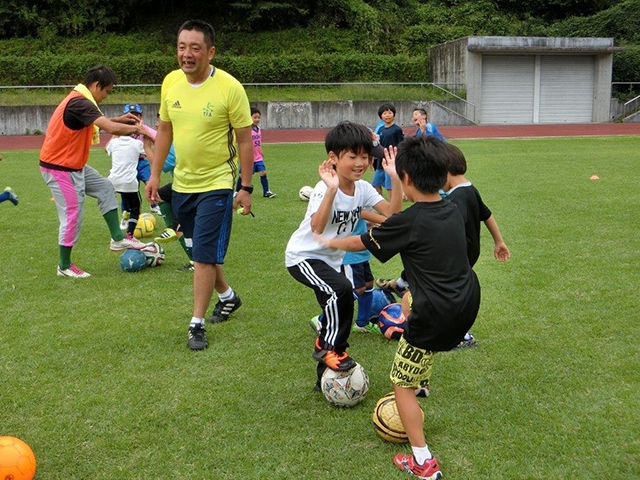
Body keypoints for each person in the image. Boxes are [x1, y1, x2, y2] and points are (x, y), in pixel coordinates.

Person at [315, 136, 480, 480]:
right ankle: (422, 382)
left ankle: (423, 461)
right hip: (466, 302)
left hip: (437, 313)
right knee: (409, 309)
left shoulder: (410, 221)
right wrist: (392, 178)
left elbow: (362, 239)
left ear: (406, 180)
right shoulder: (452, 206)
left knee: (399, 381)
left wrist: (327, 240)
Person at [145, 19, 253, 350]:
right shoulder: (170, 83)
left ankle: (196, 323)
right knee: (198, 251)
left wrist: (246, 187)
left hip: (218, 182)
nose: (187, 54)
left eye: (195, 48)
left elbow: (245, 140)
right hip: (182, 184)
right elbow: (164, 130)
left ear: (210, 52)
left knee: (203, 256)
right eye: (181, 47)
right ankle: (228, 296)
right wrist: (154, 174)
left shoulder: (229, 87)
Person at [285, 121, 402, 389]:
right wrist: (332, 189)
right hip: (303, 257)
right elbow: (317, 226)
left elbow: (392, 216)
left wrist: (394, 178)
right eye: (353, 157)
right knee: (342, 291)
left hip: (330, 260)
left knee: (335, 306)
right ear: (333, 158)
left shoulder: (362, 189)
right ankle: (331, 347)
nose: (361, 163)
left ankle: (323, 376)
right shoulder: (323, 188)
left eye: (364, 156)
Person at [39, 65, 148, 278]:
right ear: (96, 85)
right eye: (107, 91)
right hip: (59, 168)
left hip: (74, 165)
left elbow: (99, 123)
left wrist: (118, 119)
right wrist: (140, 129)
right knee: (72, 213)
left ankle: (118, 237)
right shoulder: (80, 102)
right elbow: (111, 129)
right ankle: (64, 266)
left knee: (106, 188)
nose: (106, 96)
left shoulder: (81, 100)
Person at [441, 142, 510, 347]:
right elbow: (486, 214)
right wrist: (499, 241)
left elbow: (453, 230)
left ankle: (457, 335)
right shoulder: (470, 188)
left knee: (450, 295)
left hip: (457, 257)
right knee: (452, 293)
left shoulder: (456, 197)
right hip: (470, 253)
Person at [105, 132, 154, 240]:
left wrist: (114, 134)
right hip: (129, 182)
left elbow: (106, 149)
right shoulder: (137, 143)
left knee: (117, 202)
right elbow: (146, 153)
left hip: (113, 181)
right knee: (135, 208)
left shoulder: (114, 142)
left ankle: (123, 218)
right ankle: (129, 235)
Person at [120, 103, 161, 217]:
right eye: (130, 116)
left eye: (136, 115)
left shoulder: (144, 128)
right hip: (127, 164)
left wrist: (144, 132)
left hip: (141, 162)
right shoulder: (120, 130)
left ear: (141, 117)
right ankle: (126, 212)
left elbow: (157, 139)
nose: (133, 118)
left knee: (150, 182)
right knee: (128, 190)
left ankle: (154, 204)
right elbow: (109, 146)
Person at [235, 107, 276, 198]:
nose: (257, 119)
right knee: (243, 175)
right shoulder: (247, 130)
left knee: (263, 172)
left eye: (258, 117)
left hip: (258, 157)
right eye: (255, 117)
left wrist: (260, 151)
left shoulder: (258, 129)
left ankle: (266, 192)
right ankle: (237, 191)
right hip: (249, 157)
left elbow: (258, 142)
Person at [372, 103, 404, 197]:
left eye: (389, 113)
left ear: (394, 115)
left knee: (390, 186)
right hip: (381, 161)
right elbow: (378, 145)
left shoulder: (397, 129)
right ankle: (381, 205)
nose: (387, 115)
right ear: (381, 116)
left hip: (391, 161)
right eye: (384, 113)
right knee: (375, 184)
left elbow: (401, 144)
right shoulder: (380, 129)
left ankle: (392, 208)